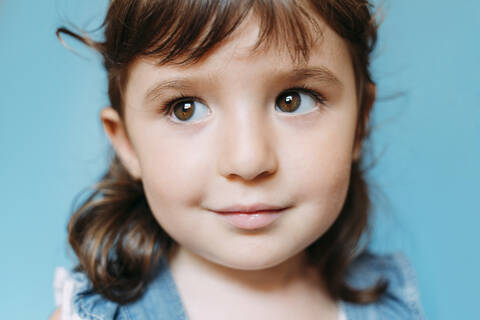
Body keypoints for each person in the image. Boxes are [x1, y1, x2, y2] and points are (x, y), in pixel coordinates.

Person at [51, 0, 425, 319]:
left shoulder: (389, 303)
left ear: (359, 124)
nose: (248, 161)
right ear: (127, 144)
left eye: (292, 100)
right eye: (185, 109)